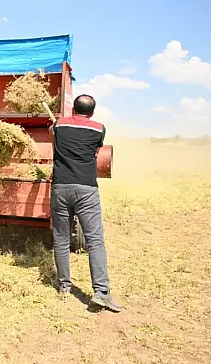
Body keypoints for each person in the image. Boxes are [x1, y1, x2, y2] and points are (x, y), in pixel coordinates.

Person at [50, 94, 122, 312]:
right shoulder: (99, 128)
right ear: (92, 112)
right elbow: (97, 148)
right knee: (95, 242)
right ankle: (102, 293)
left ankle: (64, 285)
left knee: (61, 239)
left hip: (60, 188)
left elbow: (52, 133)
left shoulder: (59, 124)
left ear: (73, 110)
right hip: (86, 189)